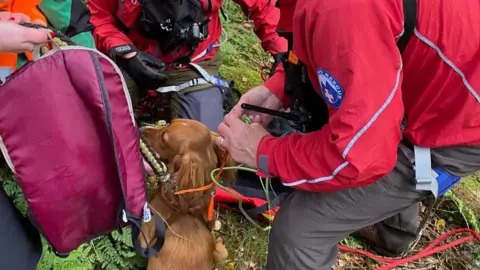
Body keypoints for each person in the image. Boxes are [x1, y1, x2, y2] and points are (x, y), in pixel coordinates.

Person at [215, 0, 480, 269]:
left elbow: (358, 156)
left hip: (462, 124)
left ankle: (385, 219)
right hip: (435, 81)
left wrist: (263, 152)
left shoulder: (343, 8)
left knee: (300, 231)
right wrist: (281, 85)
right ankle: (392, 228)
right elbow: (336, 38)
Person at [87, 0, 287, 131]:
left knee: (201, 148)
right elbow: (98, 18)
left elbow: (262, 5)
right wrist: (125, 53)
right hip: (133, 58)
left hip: (194, 64)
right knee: (94, 122)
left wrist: (281, 51)